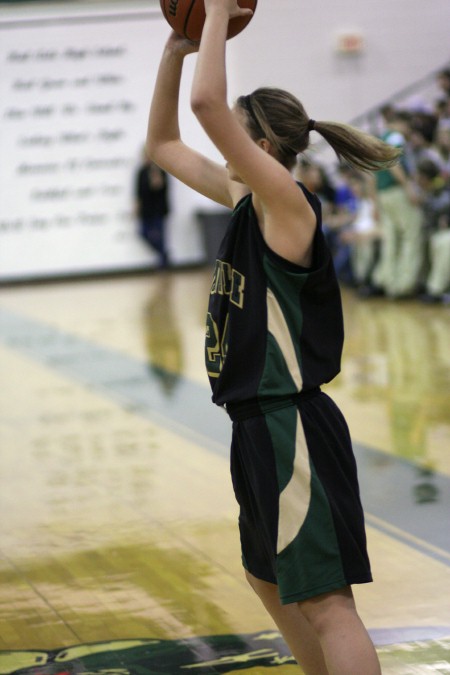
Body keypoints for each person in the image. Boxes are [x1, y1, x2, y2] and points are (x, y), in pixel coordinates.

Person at [146, 2, 400, 673]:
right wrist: (176, 50)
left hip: (294, 425)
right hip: (255, 424)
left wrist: (219, 17)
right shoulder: (245, 203)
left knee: (327, 603)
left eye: (236, 135)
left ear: (259, 149)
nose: (221, 144)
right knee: (269, 580)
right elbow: (165, 145)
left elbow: (206, 105)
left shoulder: (285, 202)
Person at [135, 148, 171, 267]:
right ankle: (163, 254)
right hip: (146, 209)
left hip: (158, 209)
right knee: (143, 232)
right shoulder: (141, 172)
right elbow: (138, 191)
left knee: (160, 235)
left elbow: (160, 187)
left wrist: (156, 174)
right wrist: (136, 206)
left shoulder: (161, 170)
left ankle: (163, 263)